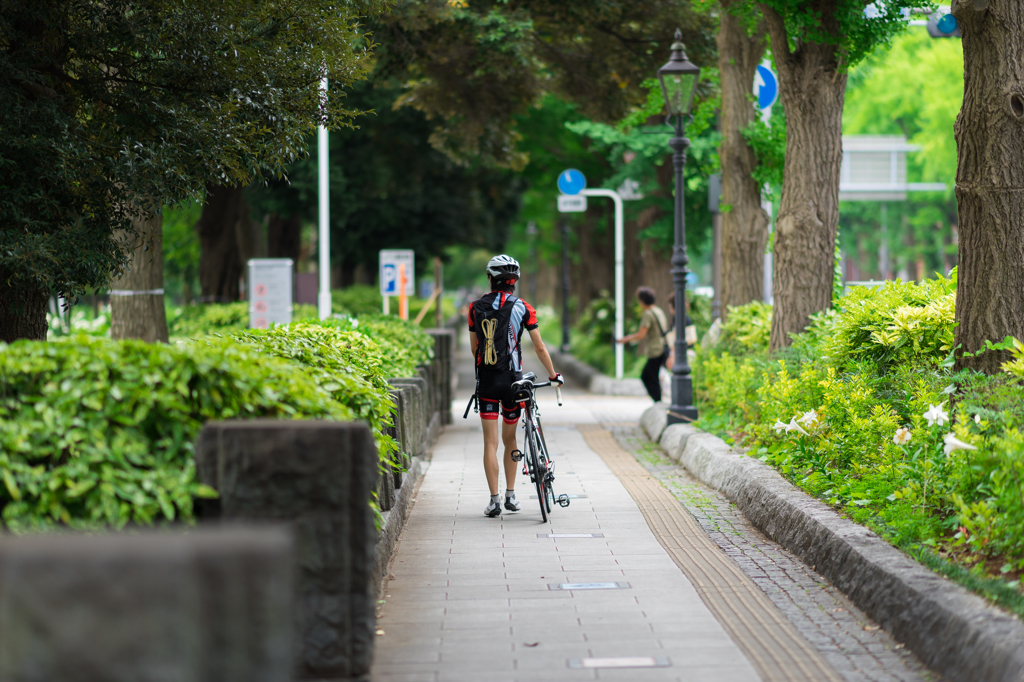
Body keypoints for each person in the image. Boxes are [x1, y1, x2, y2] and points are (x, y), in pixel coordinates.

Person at [468, 255, 563, 517]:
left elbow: (475, 348)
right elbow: (539, 347)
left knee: (490, 443)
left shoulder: (475, 307)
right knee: (510, 438)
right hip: (513, 382)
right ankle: (511, 495)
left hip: (487, 381)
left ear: (491, 279)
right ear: (514, 281)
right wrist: (553, 374)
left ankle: (494, 501)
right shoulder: (524, 307)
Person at [616, 286, 670, 403]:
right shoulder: (658, 311)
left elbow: (641, 335)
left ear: (642, 301)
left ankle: (658, 401)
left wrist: (625, 339)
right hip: (662, 347)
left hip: (655, 350)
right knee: (652, 376)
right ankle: (658, 401)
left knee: (648, 377)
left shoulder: (648, 314)